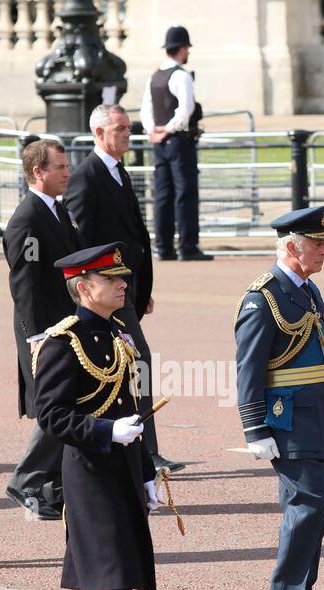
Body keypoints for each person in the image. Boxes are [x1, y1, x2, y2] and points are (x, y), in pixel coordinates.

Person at [34, 242, 172, 590]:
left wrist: (149, 470)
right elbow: (50, 414)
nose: (122, 284)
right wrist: (103, 431)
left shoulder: (119, 333)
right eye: (111, 279)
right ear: (83, 287)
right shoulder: (62, 341)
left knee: (124, 579)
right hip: (91, 472)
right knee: (107, 580)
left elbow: (133, 404)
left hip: (124, 469)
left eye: (122, 278)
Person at [233, 207, 324, 590]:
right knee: (305, 509)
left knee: (317, 512)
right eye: (317, 243)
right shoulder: (262, 297)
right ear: (291, 246)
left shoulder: (308, 291)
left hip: (318, 414)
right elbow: (248, 368)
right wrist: (254, 428)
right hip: (286, 421)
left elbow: (316, 352)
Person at [65, 103, 183, 472]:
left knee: (130, 364)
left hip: (126, 289)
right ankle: (145, 449)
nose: (127, 135)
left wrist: (141, 288)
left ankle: (138, 447)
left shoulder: (119, 171)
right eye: (121, 129)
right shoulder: (86, 176)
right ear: (99, 133)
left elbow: (134, 235)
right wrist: (93, 290)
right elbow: (82, 241)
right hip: (104, 292)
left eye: (129, 128)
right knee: (139, 361)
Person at [2, 139, 79, 520]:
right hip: (44, 330)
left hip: (65, 326)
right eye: (60, 167)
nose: (67, 173)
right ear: (38, 172)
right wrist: (36, 335)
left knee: (71, 401)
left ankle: (50, 487)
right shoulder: (27, 218)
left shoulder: (56, 211)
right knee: (57, 407)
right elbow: (25, 284)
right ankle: (26, 480)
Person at [141, 25, 210, 262]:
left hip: (160, 144)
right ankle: (188, 246)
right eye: (187, 48)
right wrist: (168, 129)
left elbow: (146, 110)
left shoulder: (155, 76)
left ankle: (163, 246)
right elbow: (186, 110)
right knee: (185, 194)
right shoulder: (181, 76)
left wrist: (154, 131)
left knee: (163, 195)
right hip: (180, 142)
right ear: (182, 49)